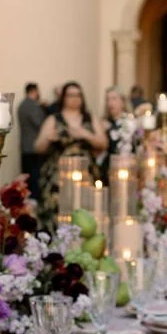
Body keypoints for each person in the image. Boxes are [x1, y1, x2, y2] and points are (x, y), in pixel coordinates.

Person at [33, 80, 107, 229]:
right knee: (59, 209)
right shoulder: (54, 119)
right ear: (64, 98)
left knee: (86, 209)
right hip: (59, 175)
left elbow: (104, 143)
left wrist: (85, 134)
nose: (75, 99)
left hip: (86, 172)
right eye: (71, 95)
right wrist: (48, 138)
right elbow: (37, 147)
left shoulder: (90, 118)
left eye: (78, 95)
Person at [17, 82, 46, 196]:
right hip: (34, 147)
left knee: (27, 177)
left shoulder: (22, 105)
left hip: (25, 146)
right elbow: (40, 123)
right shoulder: (32, 105)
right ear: (34, 91)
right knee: (34, 178)